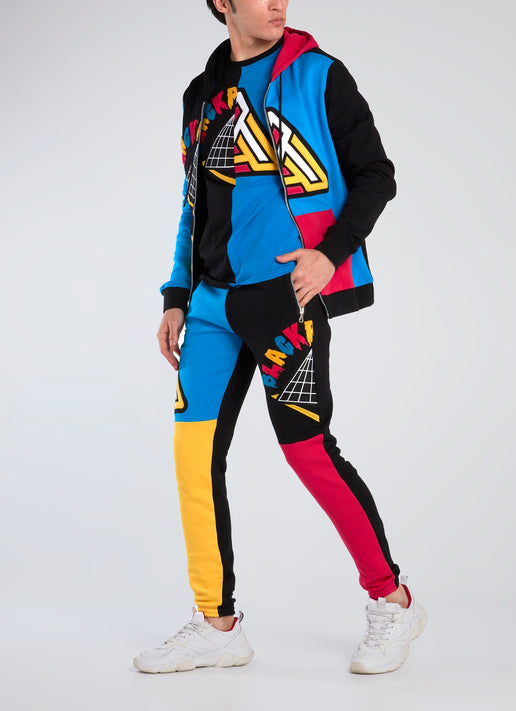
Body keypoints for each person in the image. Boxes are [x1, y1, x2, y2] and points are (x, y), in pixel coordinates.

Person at [134, 0, 427, 675]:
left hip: (283, 303)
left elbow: (375, 175)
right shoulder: (202, 95)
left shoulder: (319, 75)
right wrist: (176, 293)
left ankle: (392, 599)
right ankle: (217, 624)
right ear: (221, 3)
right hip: (210, 306)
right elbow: (194, 202)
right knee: (193, 456)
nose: (277, 3)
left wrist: (329, 254)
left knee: (307, 452)